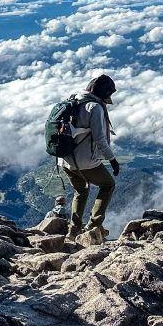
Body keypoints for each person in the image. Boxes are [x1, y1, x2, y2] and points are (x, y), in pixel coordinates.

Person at [59, 74, 120, 239]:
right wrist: (112, 160)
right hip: (84, 161)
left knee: (80, 191)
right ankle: (94, 225)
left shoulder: (73, 99)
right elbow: (100, 139)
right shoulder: (95, 107)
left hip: (64, 159)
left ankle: (74, 231)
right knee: (108, 185)